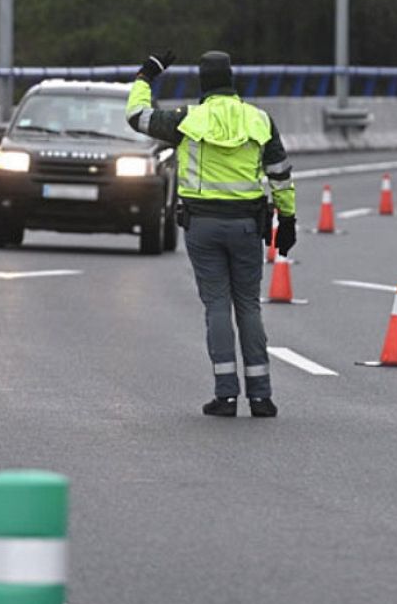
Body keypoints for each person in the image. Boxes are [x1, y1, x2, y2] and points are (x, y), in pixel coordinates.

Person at [127, 50, 297, 417]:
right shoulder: (259, 120)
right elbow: (280, 173)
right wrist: (288, 219)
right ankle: (261, 397)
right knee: (248, 306)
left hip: (202, 226)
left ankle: (226, 395)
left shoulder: (186, 119)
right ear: (232, 80)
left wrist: (145, 78)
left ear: (202, 83)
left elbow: (136, 118)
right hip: (248, 225)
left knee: (217, 306)